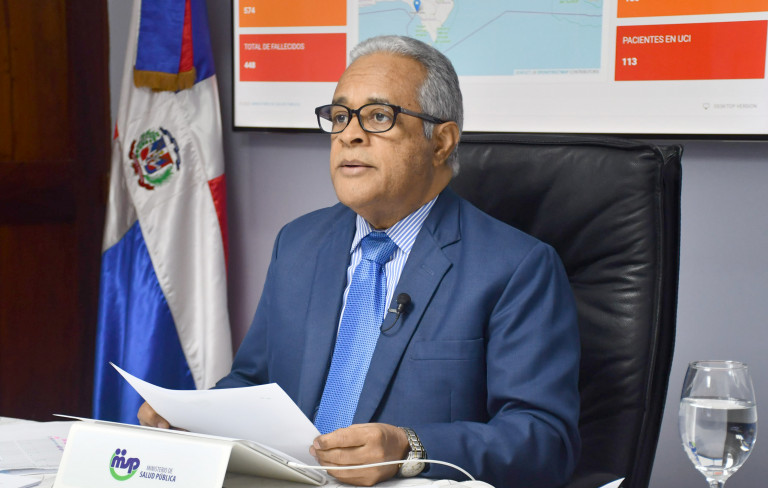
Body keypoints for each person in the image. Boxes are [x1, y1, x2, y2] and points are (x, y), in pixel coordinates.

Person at [139, 35, 580, 487]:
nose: (349, 134)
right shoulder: (298, 243)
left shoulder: (517, 268)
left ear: (441, 143)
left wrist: (411, 448)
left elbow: (546, 441)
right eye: (340, 116)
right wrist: (189, 418)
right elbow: (253, 382)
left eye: (378, 116)